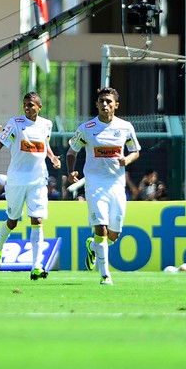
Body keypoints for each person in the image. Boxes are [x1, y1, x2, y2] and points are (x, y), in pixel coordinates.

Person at [66, 87, 141, 285]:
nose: (105, 104)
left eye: (109, 101)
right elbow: (71, 152)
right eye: (101, 101)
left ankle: (93, 246)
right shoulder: (86, 128)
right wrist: (71, 171)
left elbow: (135, 151)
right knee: (101, 228)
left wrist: (128, 159)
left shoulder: (125, 127)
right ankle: (105, 275)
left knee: (114, 235)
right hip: (95, 183)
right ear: (97, 104)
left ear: (116, 105)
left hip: (116, 184)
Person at [0, 92, 61, 280]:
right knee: (12, 220)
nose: (27, 107)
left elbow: (45, 143)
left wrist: (52, 157)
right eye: (25, 104)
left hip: (38, 180)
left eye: (31, 105)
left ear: (39, 107)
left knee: (37, 220)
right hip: (17, 180)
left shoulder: (46, 124)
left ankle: (36, 266)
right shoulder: (15, 123)